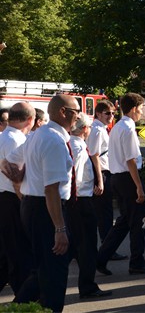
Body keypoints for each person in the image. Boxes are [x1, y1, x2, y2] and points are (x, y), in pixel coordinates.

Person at [6, 94, 78, 312]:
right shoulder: (53, 140)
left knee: (44, 270)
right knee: (54, 274)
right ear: (63, 112)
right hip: (45, 209)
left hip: (34, 206)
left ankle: (16, 309)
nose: (78, 116)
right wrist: (60, 227)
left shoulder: (39, 135)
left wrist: (18, 178)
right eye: (75, 112)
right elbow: (51, 189)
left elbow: (7, 161)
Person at [96, 93, 145, 275]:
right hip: (128, 178)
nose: (142, 112)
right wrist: (139, 186)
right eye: (142, 108)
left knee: (124, 222)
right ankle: (137, 262)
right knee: (138, 222)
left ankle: (101, 257)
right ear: (134, 108)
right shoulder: (127, 128)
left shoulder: (119, 126)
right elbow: (130, 160)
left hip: (117, 178)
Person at [67, 113, 111, 299]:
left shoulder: (77, 144)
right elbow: (73, 175)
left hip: (80, 200)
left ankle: (88, 285)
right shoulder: (76, 147)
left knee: (78, 247)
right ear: (85, 129)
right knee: (86, 247)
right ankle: (87, 287)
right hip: (80, 201)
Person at [0, 102, 36, 298]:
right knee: (19, 253)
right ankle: (24, 299)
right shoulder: (17, 140)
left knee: (7, 252)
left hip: (4, 198)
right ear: (29, 120)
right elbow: (15, 177)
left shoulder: (3, 136)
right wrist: (24, 200)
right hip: (13, 199)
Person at [86, 100, 123, 258]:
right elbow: (93, 154)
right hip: (100, 172)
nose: (111, 116)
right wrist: (100, 180)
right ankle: (108, 249)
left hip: (103, 172)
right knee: (104, 213)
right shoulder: (97, 130)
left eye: (114, 113)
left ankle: (106, 248)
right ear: (99, 113)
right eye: (108, 113)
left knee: (103, 212)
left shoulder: (101, 128)